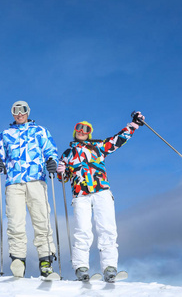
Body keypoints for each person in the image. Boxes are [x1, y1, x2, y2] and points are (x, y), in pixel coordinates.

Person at [57, 111, 145, 282]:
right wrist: (61, 171)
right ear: (75, 131)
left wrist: (133, 125)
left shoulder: (98, 146)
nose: (82, 131)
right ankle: (81, 267)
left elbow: (117, 140)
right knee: (82, 231)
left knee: (107, 228)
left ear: (90, 132)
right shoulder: (68, 154)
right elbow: (63, 178)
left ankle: (109, 267)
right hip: (81, 194)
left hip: (101, 191)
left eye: (86, 128)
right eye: (79, 128)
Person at [0, 100, 59, 278]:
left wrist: (52, 161)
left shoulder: (40, 131)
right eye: (15, 110)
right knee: (15, 222)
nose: (19, 113)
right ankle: (18, 260)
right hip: (14, 182)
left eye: (22, 110)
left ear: (28, 111)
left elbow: (50, 150)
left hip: (36, 180)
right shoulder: (5, 134)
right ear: (12, 113)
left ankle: (45, 260)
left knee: (42, 220)